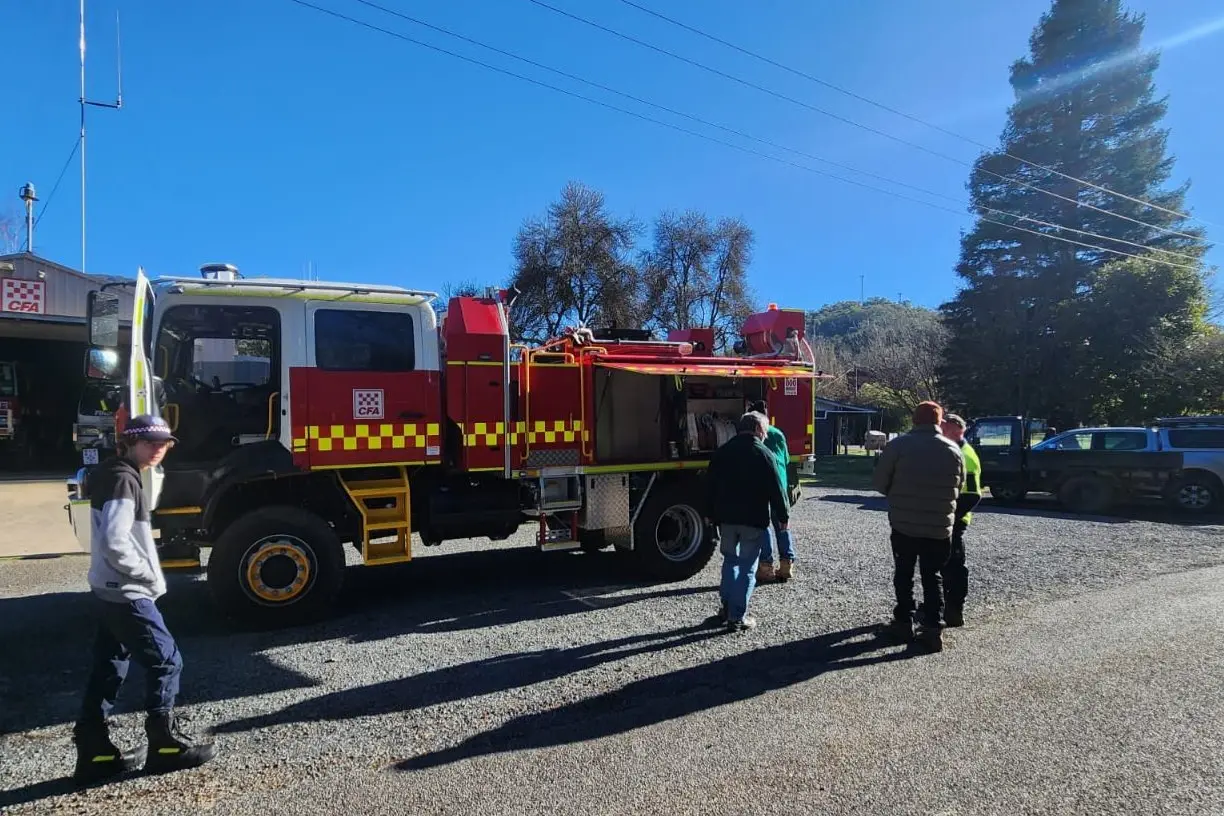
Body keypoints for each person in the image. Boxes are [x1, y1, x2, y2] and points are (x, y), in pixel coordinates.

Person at [73, 415, 217, 785]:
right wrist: (145, 575)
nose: (158, 449)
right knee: (166, 661)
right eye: (150, 442)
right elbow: (116, 541)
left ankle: (95, 751)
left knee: (110, 664)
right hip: (126, 591)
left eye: (164, 442)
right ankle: (164, 746)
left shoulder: (112, 471)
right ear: (129, 442)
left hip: (107, 588)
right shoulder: (124, 478)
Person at [872, 401, 964, 653]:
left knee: (904, 574)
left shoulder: (899, 446)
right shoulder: (954, 450)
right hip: (939, 527)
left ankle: (903, 621)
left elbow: (880, 484)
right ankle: (934, 629)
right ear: (939, 421)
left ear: (914, 419)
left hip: (904, 525)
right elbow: (961, 485)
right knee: (932, 576)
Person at [703, 412, 790, 632]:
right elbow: (776, 489)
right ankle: (737, 616)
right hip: (753, 519)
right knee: (747, 568)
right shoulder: (764, 453)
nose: (765, 435)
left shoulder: (722, 452)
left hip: (726, 520)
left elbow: (708, 485)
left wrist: (708, 513)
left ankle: (726, 606)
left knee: (730, 561)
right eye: (765, 431)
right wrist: (783, 517)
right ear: (759, 430)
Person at [939, 413, 983, 627]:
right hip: (944, 518)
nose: (939, 430)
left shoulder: (966, 455)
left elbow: (973, 494)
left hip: (955, 520)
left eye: (943, 427)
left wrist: (952, 519)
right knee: (941, 565)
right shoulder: (950, 451)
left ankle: (955, 610)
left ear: (957, 430)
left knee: (955, 567)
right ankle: (941, 606)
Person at [747, 400, 798, 584]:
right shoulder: (778, 434)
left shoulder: (755, 435)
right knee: (782, 524)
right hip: (781, 485)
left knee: (764, 526)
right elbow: (785, 459)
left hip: (762, 486)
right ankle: (786, 564)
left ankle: (766, 565)